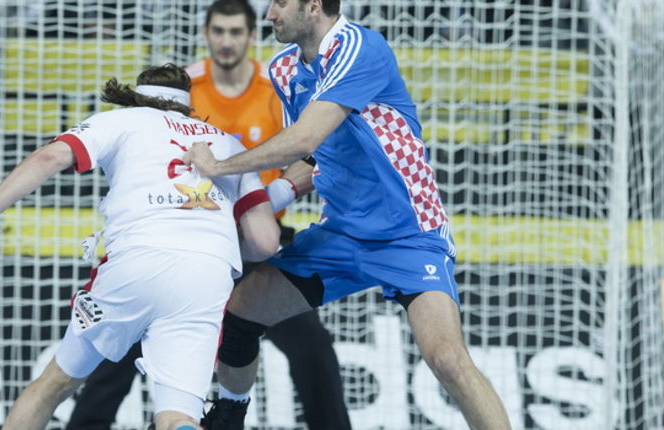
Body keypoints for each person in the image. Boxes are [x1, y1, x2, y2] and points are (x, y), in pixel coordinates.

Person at [183, 1, 513, 429]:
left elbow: (303, 139)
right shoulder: (284, 69)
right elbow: (312, 158)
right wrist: (265, 200)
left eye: (280, 2)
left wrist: (219, 168)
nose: (269, 14)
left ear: (313, 6)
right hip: (339, 234)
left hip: (408, 235)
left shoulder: (360, 47)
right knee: (242, 313)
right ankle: (228, 418)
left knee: (447, 358)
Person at [0, 64, 282, 430]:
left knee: (54, 384)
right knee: (177, 416)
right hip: (207, 275)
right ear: (188, 105)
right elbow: (265, 242)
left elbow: (48, 158)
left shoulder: (121, 121)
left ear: (136, 98)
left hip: (137, 259)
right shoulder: (228, 145)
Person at [66, 2, 351, 429]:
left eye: (236, 32)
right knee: (117, 352)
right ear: (205, 33)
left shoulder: (276, 87)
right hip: (184, 237)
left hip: (256, 241)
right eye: (219, 31)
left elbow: (309, 152)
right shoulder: (183, 91)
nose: (226, 41)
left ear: (251, 36)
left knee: (313, 348)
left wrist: (277, 192)